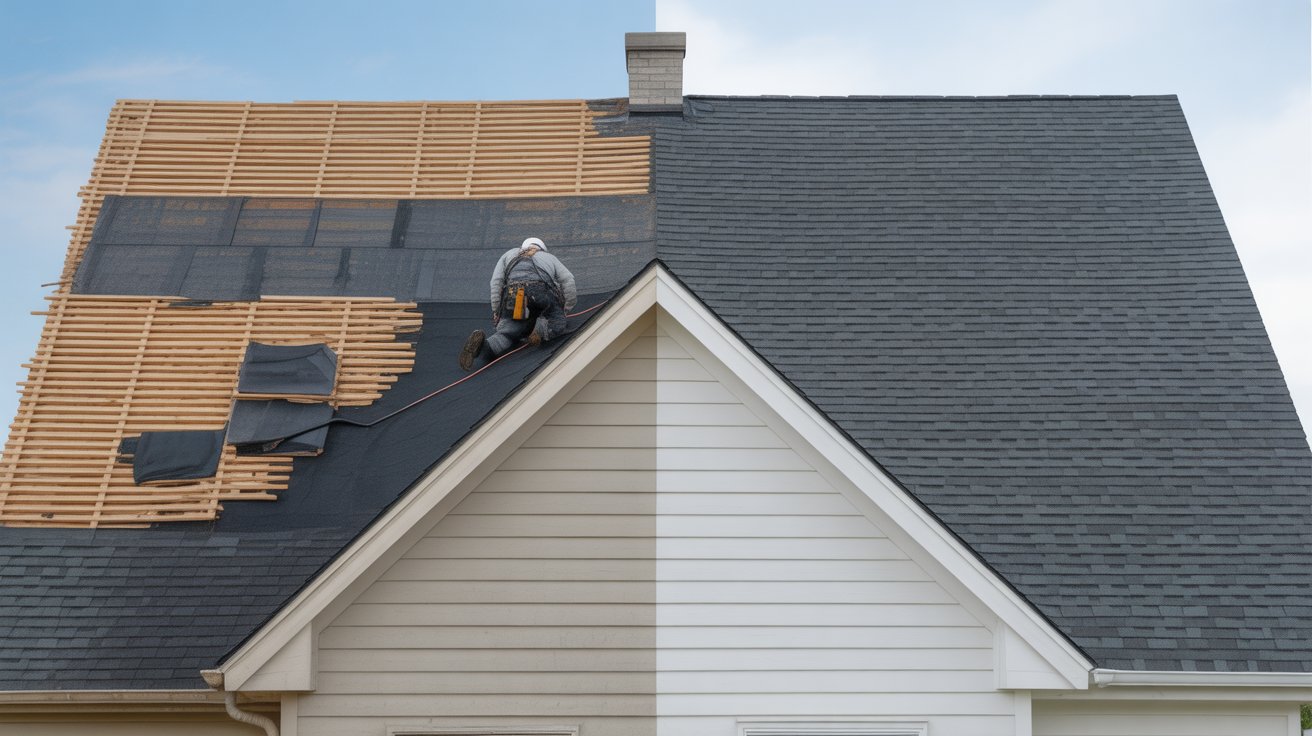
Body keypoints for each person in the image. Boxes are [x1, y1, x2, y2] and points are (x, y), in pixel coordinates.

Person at [458, 237, 577, 371]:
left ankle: (485, 346)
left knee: (508, 332)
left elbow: (495, 283)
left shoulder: (508, 254)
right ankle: (540, 331)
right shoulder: (548, 257)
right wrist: (567, 308)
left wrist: (497, 311)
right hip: (540, 291)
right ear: (542, 249)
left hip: (514, 293)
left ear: (523, 246)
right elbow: (568, 280)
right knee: (557, 320)